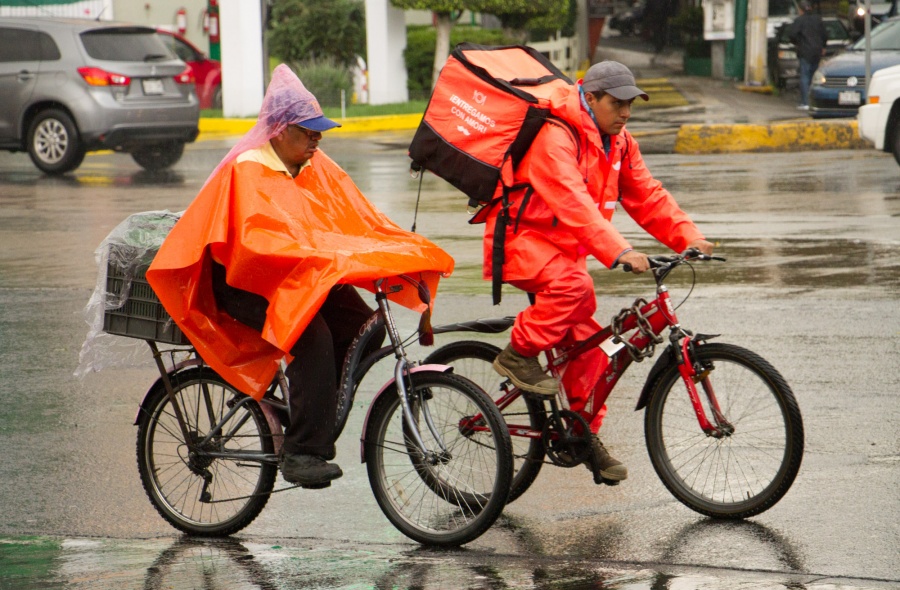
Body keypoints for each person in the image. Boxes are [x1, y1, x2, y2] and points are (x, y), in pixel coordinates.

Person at [147, 65, 453, 489]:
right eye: (308, 132)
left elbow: (356, 218)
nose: (317, 140)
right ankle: (302, 450)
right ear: (278, 130)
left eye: (319, 133)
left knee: (368, 325)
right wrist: (322, 254)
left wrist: (389, 249)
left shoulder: (311, 163)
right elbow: (258, 245)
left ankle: (309, 409)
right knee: (314, 339)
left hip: (298, 275)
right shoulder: (248, 169)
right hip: (241, 282)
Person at [484, 60, 714, 485]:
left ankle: (582, 433)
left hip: (566, 250)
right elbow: (573, 203)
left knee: (593, 350)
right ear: (590, 98)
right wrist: (620, 251)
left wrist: (688, 238)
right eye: (617, 102)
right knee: (576, 287)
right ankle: (518, 352)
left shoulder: (620, 142)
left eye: (631, 103)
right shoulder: (556, 136)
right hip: (523, 241)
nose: (626, 112)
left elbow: (647, 195)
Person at [788, 1, 828, 110]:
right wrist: (823, 46)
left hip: (805, 51)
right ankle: (813, 101)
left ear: (800, 10)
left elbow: (792, 34)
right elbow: (825, 34)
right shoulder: (818, 20)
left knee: (805, 76)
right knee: (813, 76)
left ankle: (805, 102)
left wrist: (797, 43)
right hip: (817, 51)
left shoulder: (799, 20)